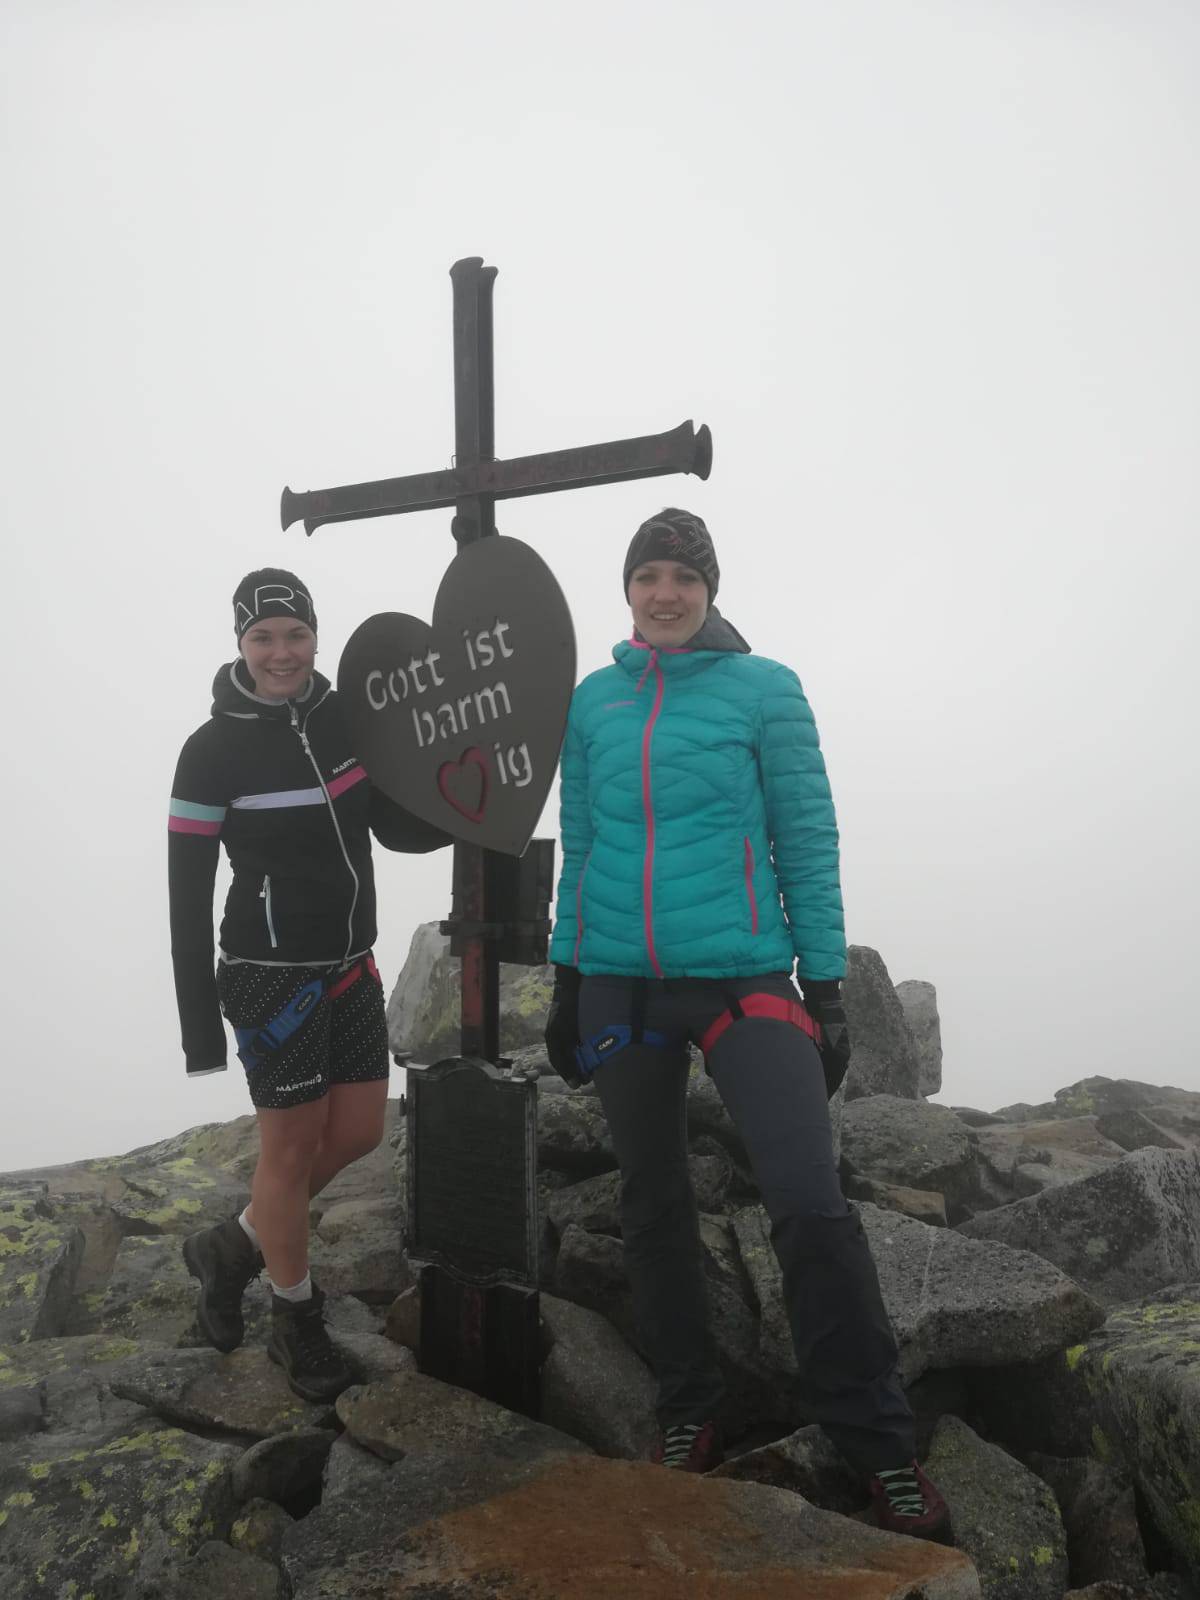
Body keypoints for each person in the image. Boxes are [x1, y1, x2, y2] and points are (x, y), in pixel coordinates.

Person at [543, 510, 952, 1543]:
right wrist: (563, 974)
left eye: (683, 575)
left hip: (742, 978)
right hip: (620, 985)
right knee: (653, 1195)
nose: (665, 592)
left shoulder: (767, 690)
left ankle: (876, 1439)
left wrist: (825, 990)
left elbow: (807, 837)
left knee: (808, 1197)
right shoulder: (594, 701)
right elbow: (580, 838)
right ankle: (689, 1407)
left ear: (711, 589)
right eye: (648, 574)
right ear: (627, 589)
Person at [169, 568, 447, 1402]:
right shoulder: (212, 749)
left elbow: (392, 823)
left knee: (359, 1131)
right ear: (241, 647)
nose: (281, 652)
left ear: (315, 637)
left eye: (295, 635)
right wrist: (199, 1027)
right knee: (287, 1154)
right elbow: (184, 893)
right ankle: (296, 1319)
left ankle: (234, 1245)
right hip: (267, 978)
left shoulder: (342, 719)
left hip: (349, 966)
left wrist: (473, 807)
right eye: (264, 638)